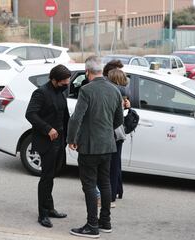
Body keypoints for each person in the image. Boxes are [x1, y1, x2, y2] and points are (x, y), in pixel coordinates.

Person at [67, 56, 124, 238]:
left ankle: (92, 226)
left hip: (90, 146)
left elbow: (76, 118)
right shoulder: (114, 90)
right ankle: (105, 222)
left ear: (87, 72)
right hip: (108, 144)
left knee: (90, 185)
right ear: (101, 71)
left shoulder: (86, 90)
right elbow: (119, 120)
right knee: (105, 183)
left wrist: (71, 138)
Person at [25, 64, 70, 228]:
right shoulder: (41, 93)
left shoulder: (60, 92)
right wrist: (47, 128)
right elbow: (30, 114)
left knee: (51, 176)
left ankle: (50, 208)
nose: (67, 84)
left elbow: (65, 116)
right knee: (46, 178)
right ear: (54, 79)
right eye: (64, 81)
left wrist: (71, 136)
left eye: (67, 81)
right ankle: (43, 214)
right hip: (46, 141)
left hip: (59, 141)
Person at [106, 68, 131, 207]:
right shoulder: (124, 92)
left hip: (113, 132)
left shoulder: (114, 91)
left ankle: (111, 195)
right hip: (120, 134)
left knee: (110, 166)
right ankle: (118, 190)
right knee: (116, 164)